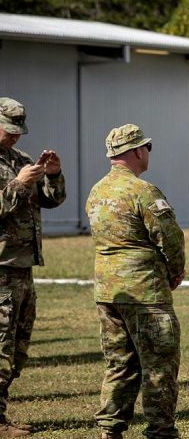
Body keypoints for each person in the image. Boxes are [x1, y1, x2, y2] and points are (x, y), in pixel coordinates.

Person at [86, 124, 186, 439]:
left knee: (119, 363)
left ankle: (109, 430)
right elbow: (170, 237)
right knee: (160, 366)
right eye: (146, 148)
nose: (148, 153)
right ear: (136, 152)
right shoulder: (142, 191)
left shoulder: (97, 190)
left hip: (108, 292)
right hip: (145, 293)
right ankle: (160, 431)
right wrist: (175, 270)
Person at [0, 97, 66, 437]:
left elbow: (51, 200)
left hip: (23, 265)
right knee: (0, 346)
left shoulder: (20, 159)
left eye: (18, 131)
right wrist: (19, 184)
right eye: (10, 130)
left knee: (17, 347)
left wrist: (52, 175)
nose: (16, 137)